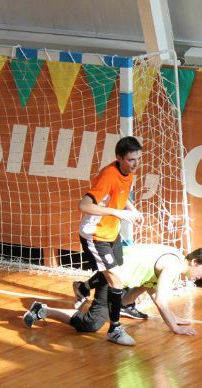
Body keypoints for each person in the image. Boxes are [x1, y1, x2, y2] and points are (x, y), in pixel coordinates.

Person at [23, 244, 202, 340]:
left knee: (131, 295)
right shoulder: (173, 266)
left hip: (117, 269)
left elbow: (152, 289)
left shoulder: (176, 258)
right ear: (195, 262)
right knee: (90, 324)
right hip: (113, 276)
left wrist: (173, 317)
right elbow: (160, 301)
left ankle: (85, 288)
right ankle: (42, 310)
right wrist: (174, 327)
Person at [74, 136, 144, 345]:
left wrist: (132, 209)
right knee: (116, 280)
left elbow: (121, 194)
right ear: (119, 158)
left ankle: (83, 288)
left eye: (138, 159)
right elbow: (84, 205)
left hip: (112, 232)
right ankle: (114, 329)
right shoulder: (108, 176)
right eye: (131, 160)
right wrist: (117, 212)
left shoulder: (127, 171)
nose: (136, 164)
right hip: (95, 235)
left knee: (118, 267)